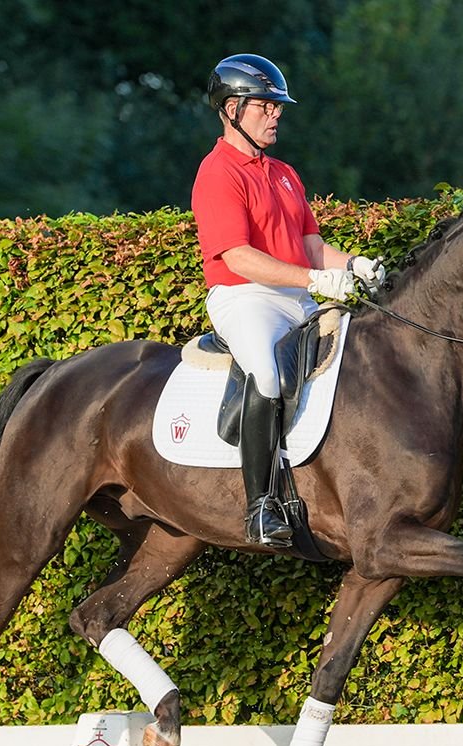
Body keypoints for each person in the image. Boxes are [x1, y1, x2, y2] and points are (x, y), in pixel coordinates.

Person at [191, 53, 384, 548]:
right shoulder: (217, 173)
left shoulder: (284, 173)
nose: (276, 114)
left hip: (296, 293)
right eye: (265, 105)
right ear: (232, 109)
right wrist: (316, 281)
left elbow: (313, 246)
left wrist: (355, 265)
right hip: (245, 297)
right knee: (267, 372)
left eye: (277, 106)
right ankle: (261, 506)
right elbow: (238, 257)